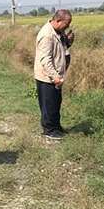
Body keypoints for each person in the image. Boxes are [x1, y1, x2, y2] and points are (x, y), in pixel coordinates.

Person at [34, 9, 72, 140]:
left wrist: (68, 41)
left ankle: (56, 127)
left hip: (56, 76)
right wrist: (55, 77)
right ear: (58, 20)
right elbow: (45, 59)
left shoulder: (58, 32)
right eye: (66, 24)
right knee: (48, 104)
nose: (67, 27)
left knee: (56, 103)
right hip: (47, 77)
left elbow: (60, 49)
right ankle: (49, 130)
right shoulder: (47, 35)